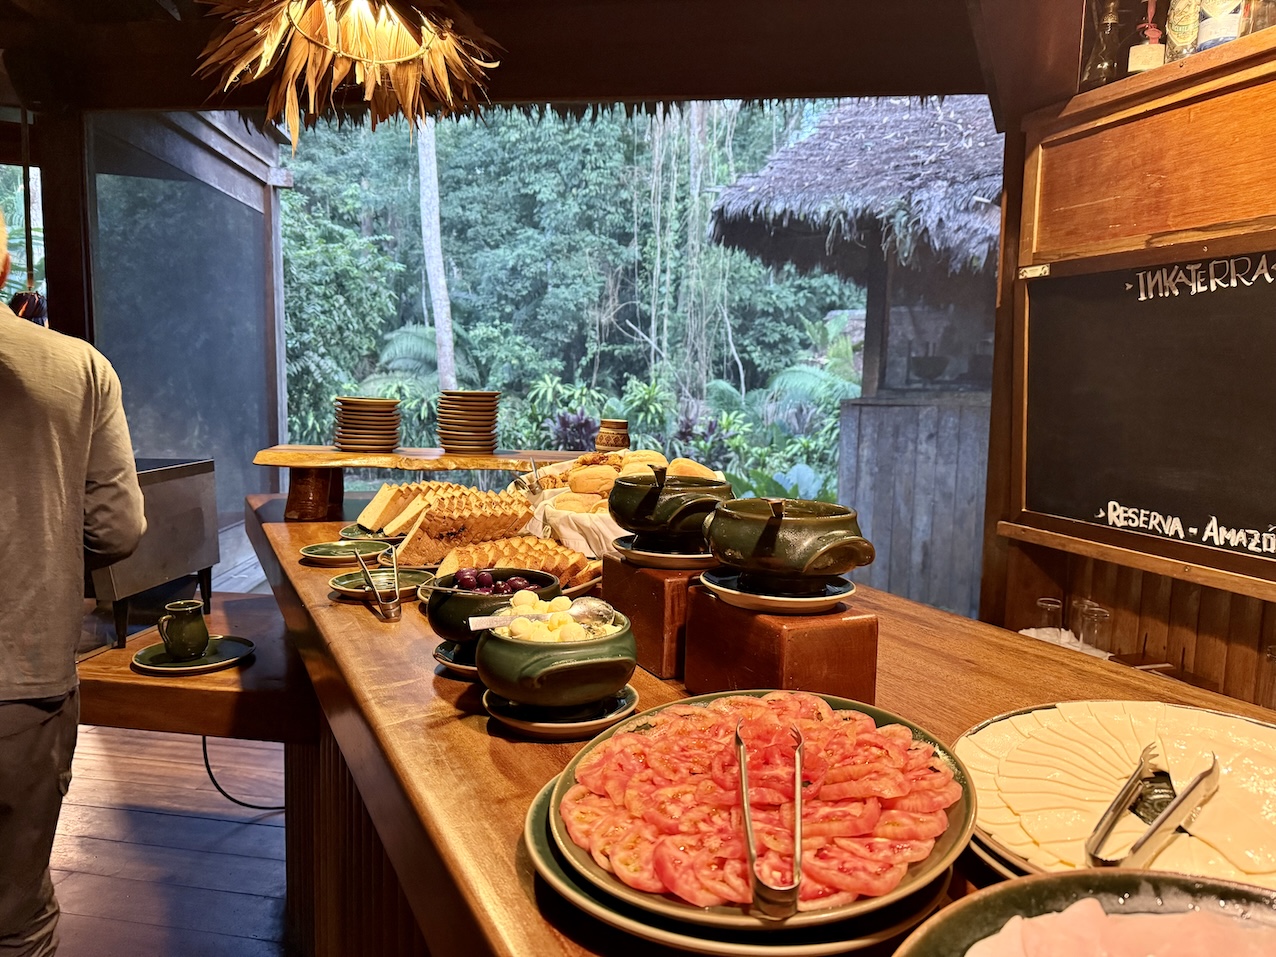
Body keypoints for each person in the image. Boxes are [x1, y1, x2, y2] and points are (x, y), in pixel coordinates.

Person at [0, 209, 146, 955]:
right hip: (20, 678)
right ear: (3, 266)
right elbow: (116, 530)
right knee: (15, 919)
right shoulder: (79, 369)